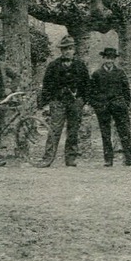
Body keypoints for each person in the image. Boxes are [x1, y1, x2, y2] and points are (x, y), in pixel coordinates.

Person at [38, 34, 90, 167]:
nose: (67, 51)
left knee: (73, 130)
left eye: (70, 48)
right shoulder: (53, 66)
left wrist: (84, 101)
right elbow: (47, 85)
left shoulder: (81, 66)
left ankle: (71, 158)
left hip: (75, 102)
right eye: (65, 49)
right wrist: (46, 104)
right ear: (61, 51)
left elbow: (87, 85)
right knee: (54, 130)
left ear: (74, 50)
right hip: (58, 102)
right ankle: (48, 158)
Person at [89, 48, 131, 167]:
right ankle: (108, 159)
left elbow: (126, 90)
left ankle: (129, 158)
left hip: (119, 106)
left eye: (112, 58)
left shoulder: (120, 73)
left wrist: (125, 103)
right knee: (105, 132)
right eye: (107, 58)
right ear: (104, 58)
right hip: (103, 107)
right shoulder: (96, 74)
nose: (109, 60)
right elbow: (91, 92)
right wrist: (97, 105)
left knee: (124, 131)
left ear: (114, 59)